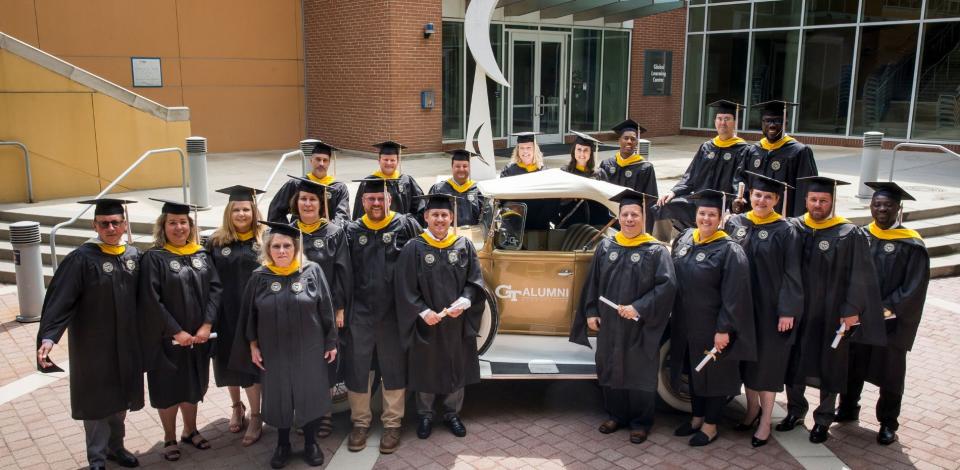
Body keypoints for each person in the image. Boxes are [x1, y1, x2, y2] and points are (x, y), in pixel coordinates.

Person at [36, 198, 143, 470]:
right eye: (104, 223)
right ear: (95, 225)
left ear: (124, 225)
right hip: (93, 345)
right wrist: (49, 337)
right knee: (96, 400)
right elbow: (61, 300)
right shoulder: (81, 259)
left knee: (121, 398)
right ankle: (96, 458)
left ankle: (115, 448)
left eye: (115, 222)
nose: (110, 227)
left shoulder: (133, 256)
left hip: (127, 342)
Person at [778, 176, 886, 444]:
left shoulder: (848, 233)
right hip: (800, 310)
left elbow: (860, 275)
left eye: (823, 201)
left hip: (831, 312)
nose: (817, 205)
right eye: (813, 199)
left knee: (830, 364)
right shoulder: (795, 228)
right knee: (795, 360)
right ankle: (795, 411)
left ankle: (823, 419)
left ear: (832, 202)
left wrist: (851, 310)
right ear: (806, 201)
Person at [570, 189, 677, 445]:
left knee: (639, 371)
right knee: (609, 367)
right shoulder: (607, 246)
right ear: (619, 218)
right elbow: (593, 283)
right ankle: (616, 415)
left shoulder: (655, 251)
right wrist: (591, 311)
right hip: (610, 323)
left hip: (640, 325)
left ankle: (641, 422)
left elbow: (667, 286)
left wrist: (638, 307)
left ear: (643, 217)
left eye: (634, 215)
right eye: (625, 214)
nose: (629, 219)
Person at [236, 221, 337, 468]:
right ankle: (282, 443)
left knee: (309, 393)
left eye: (287, 246)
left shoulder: (311, 271)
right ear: (268, 250)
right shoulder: (260, 277)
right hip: (274, 350)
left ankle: (311, 442)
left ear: (296, 247)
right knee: (278, 396)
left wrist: (331, 341)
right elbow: (249, 314)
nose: (282, 251)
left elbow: (326, 308)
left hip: (310, 348)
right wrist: (253, 345)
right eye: (277, 246)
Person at [837, 182, 930, 446]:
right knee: (852, 365)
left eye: (887, 205)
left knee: (890, 373)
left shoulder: (911, 243)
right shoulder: (860, 236)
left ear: (898, 209)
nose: (881, 209)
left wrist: (883, 310)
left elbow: (914, 287)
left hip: (891, 322)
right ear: (871, 206)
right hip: (858, 319)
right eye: (877, 204)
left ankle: (888, 423)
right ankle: (848, 409)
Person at [395, 194, 489, 440]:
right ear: (426, 217)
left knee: (455, 365)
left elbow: (475, 281)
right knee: (425, 365)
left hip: (455, 323)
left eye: (444, 215)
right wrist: (423, 311)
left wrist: (466, 300)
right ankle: (425, 414)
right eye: (434, 215)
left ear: (452, 218)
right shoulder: (414, 247)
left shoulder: (463, 245)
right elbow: (404, 286)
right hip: (426, 323)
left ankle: (451, 413)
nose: (439, 219)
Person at [670, 189, 755, 447]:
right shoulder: (685, 238)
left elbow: (735, 295)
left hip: (713, 325)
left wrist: (724, 329)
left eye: (712, 215)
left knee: (715, 375)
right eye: (702, 213)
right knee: (695, 372)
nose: (706, 218)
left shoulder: (730, 250)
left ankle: (710, 425)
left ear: (721, 218)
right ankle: (697, 417)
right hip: (686, 323)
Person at [343, 178, 423, 454]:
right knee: (359, 367)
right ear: (363, 202)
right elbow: (343, 273)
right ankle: (360, 423)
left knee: (393, 366)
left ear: (390, 200)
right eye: (370, 199)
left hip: (394, 313)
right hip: (360, 312)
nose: (376, 203)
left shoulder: (404, 225)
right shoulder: (352, 230)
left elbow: (419, 264)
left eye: (381, 199)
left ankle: (392, 424)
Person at [139, 198, 222, 461]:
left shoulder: (201, 255)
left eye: (183, 222)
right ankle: (169, 437)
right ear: (163, 227)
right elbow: (151, 299)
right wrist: (176, 331)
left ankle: (190, 430)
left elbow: (215, 290)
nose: (178, 228)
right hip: (167, 339)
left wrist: (207, 324)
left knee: (192, 384)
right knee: (167, 388)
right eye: (172, 223)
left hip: (198, 337)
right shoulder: (154, 258)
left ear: (190, 225)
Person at [725, 172, 803, 447]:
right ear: (749, 196)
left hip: (771, 309)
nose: (761, 200)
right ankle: (751, 411)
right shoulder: (736, 223)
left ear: (777, 200)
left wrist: (787, 310)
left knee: (768, 365)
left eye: (768, 196)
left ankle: (766, 421)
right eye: (757, 195)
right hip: (743, 307)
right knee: (747, 361)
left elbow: (792, 272)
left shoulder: (785, 230)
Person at [288, 175, 352, 438]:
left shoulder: (334, 233)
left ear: (321, 204)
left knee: (325, 361)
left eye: (312, 199)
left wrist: (339, 308)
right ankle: (303, 413)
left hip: (324, 311)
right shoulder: (289, 232)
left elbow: (342, 272)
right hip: (294, 308)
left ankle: (324, 412)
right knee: (299, 362)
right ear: (297, 202)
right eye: (303, 199)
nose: (307, 204)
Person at [204, 185, 266, 446]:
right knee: (228, 363)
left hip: (255, 314)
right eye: (236, 209)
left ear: (254, 211)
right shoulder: (216, 242)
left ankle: (256, 415)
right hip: (225, 314)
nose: (241, 214)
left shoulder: (264, 241)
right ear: (228, 212)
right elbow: (208, 281)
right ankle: (236, 407)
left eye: (246, 209)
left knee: (252, 366)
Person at [657, 100, 754, 230]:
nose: (723, 122)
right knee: (664, 205)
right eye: (719, 118)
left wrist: (735, 203)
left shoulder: (743, 150)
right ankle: (675, 240)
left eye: (727, 119)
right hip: (700, 201)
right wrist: (673, 192)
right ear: (715, 122)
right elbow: (690, 175)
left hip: (724, 204)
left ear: (735, 122)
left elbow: (740, 180)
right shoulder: (707, 147)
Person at [735, 100, 817, 217]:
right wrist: (739, 200)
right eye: (767, 121)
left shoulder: (799, 152)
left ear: (786, 123)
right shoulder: (752, 151)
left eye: (777, 121)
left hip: (784, 220)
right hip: (753, 218)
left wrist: (799, 223)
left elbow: (805, 191)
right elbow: (740, 179)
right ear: (762, 123)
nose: (772, 125)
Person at [268, 140, 351, 226]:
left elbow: (342, 216)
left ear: (329, 163)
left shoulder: (338, 188)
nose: (321, 163)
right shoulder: (296, 184)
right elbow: (276, 211)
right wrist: (289, 232)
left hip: (327, 236)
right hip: (299, 234)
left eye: (325, 160)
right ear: (311, 160)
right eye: (318, 159)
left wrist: (331, 232)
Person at [598, 119, 658, 233]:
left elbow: (650, 201)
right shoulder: (607, 164)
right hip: (609, 221)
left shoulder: (645, 167)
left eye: (633, 139)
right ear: (619, 140)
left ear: (637, 142)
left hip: (632, 221)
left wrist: (646, 230)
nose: (629, 141)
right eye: (626, 138)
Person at [352, 141, 425, 220]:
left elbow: (420, 208)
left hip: (402, 229)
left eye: (392, 160)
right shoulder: (368, 182)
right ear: (379, 161)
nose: (389, 163)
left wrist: (409, 225)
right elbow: (360, 212)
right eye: (385, 160)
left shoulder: (406, 181)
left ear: (398, 162)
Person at [558, 131, 610, 227]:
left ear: (591, 153)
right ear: (574, 151)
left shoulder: (599, 173)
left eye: (586, 150)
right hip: (570, 222)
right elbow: (557, 200)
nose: (582, 153)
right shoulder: (565, 172)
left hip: (595, 223)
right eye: (579, 149)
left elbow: (606, 201)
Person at [428, 149, 485, 226]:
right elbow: (430, 215)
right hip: (446, 235)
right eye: (457, 166)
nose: (461, 169)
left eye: (465, 166)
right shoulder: (439, 189)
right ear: (452, 167)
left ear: (469, 168)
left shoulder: (478, 190)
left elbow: (486, 217)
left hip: (473, 234)